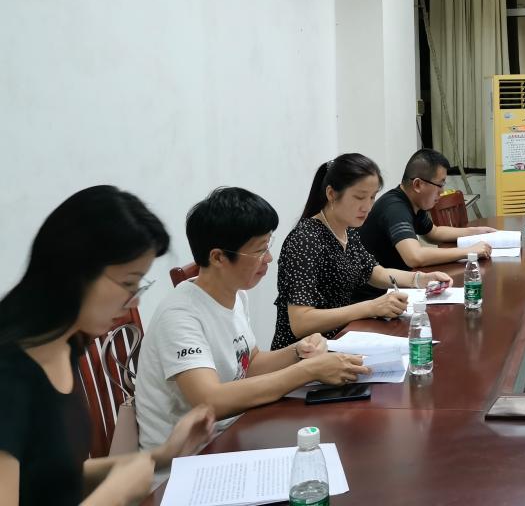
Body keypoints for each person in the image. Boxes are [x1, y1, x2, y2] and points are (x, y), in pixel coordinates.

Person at [0, 186, 215, 506]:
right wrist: (115, 494)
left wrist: (163, 455)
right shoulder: (8, 377)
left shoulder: (65, 346)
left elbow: (53, 475)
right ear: (73, 272)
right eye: (128, 283)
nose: (135, 300)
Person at [135, 187, 372, 451]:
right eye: (259, 250)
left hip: (234, 432)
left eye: (268, 246)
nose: (268, 258)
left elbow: (249, 362)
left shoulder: (235, 294)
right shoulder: (180, 316)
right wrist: (308, 371)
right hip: (186, 459)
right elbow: (209, 401)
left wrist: (299, 351)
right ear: (218, 257)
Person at [273, 154, 454, 347]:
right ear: (331, 194)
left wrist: (420, 279)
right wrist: (371, 307)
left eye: (372, 197)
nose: (367, 206)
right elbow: (300, 322)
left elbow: (375, 272)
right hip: (305, 353)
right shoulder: (305, 240)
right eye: (359, 197)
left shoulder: (348, 231)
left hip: (340, 340)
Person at [356, 149, 495, 285]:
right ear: (418, 185)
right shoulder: (395, 208)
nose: (442, 191)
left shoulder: (414, 202)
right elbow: (414, 257)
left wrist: (476, 231)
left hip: (401, 282)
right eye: (440, 184)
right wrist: (469, 251)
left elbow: (434, 233)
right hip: (379, 292)